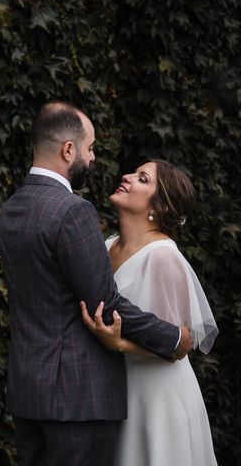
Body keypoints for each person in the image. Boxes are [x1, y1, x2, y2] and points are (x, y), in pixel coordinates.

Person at [0, 101, 194, 466]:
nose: (94, 157)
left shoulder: (11, 210)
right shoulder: (73, 210)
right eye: (90, 149)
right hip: (77, 397)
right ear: (68, 150)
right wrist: (174, 338)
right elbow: (104, 301)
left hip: (28, 391)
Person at [80, 159, 218, 466]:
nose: (127, 177)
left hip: (157, 396)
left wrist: (117, 344)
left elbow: (177, 346)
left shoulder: (162, 257)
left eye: (142, 179)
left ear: (160, 207)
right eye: (134, 173)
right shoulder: (107, 246)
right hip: (119, 389)